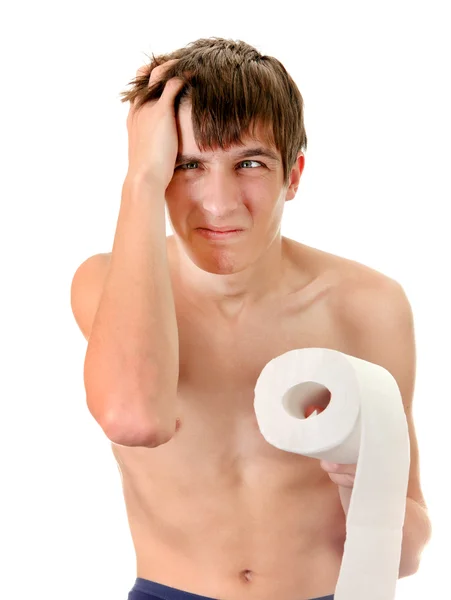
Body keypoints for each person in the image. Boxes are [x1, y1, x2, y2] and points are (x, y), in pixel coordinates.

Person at [70, 37, 431, 600]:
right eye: (187, 165)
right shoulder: (103, 282)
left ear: (293, 175)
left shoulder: (368, 306)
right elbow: (135, 418)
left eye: (249, 164)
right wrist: (139, 179)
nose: (218, 202)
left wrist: (367, 491)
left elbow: (406, 554)